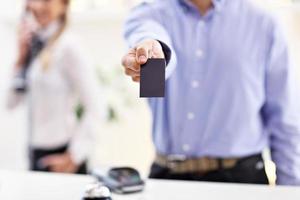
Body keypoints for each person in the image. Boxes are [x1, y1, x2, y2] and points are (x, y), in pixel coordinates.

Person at [122, 0, 300, 185]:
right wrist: (154, 55)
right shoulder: (149, 13)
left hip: (241, 179)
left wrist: (291, 188)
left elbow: (284, 118)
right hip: (168, 176)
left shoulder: (264, 23)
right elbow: (153, 43)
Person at [7, 0, 104, 174]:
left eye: (46, 1)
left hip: (62, 157)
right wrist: (20, 60)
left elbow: (96, 106)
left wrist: (74, 156)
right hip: (33, 154)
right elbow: (10, 103)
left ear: (64, 5)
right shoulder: (33, 45)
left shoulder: (69, 46)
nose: (37, 6)